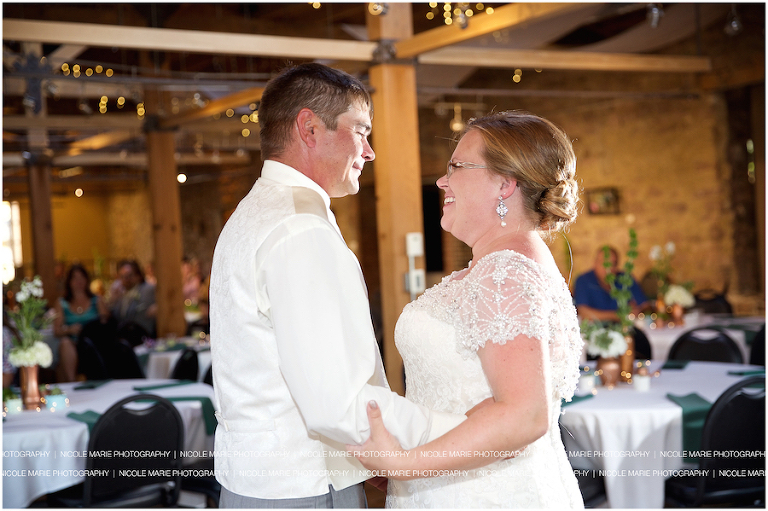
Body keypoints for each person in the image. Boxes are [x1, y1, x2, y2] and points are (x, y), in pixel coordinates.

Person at [208, 63, 466, 508]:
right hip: (304, 483)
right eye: (360, 131)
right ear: (309, 128)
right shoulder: (298, 230)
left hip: (260, 480)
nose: (369, 152)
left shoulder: (253, 213)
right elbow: (337, 405)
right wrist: (453, 434)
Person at [348, 111, 585, 508]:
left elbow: (524, 416)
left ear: (505, 184)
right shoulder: (504, 263)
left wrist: (404, 464)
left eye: (457, 167)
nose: (443, 180)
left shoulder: (504, 271)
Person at [52, 264, 109, 381]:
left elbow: (106, 323)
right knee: (65, 344)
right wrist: (70, 329)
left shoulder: (96, 300)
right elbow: (56, 330)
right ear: (69, 281)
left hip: (94, 342)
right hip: (74, 343)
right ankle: (72, 381)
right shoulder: (62, 303)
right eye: (75, 278)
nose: (79, 281)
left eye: (82, 277)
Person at [573, 246, 650, 322]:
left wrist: (638, 311)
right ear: (595, 263)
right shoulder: (583, 280)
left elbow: (644, 306)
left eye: (613, 264)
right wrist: (620, 315)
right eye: (604, 263)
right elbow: (583, 313)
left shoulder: (626, 279)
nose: (608, 268)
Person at [109, 260, 156, 340]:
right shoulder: (118, 294)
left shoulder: (148, 290)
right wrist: (112, 301)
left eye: (129, 276)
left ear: (138, 276)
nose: (126, 279)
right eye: (122, 276)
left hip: (145, 337)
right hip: (124, 340)